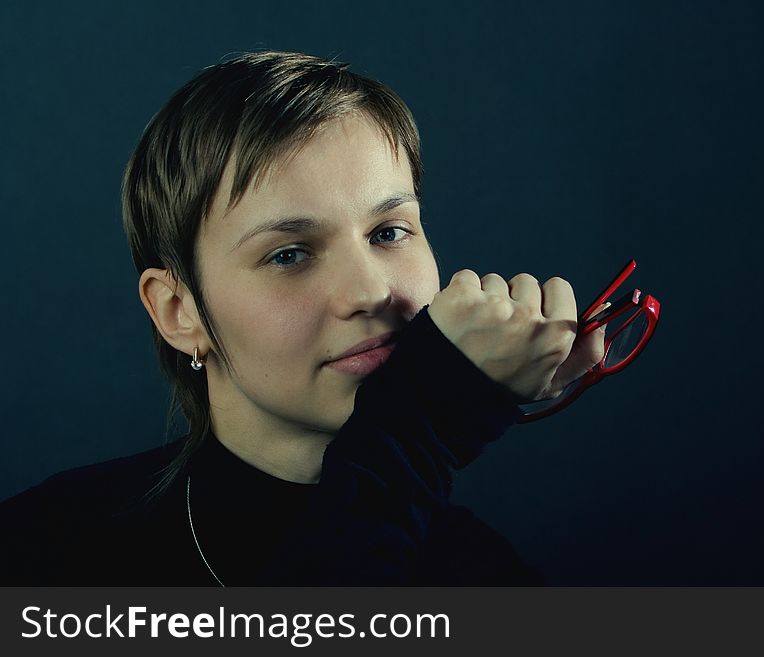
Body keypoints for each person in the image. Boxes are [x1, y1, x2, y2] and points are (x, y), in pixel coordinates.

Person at [0, 51, 605, 585]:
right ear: (179, 312)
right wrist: (427, 423)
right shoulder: (40, 552)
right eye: (288, 254)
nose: (371, 290)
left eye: (389, 232)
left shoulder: (485, 579)